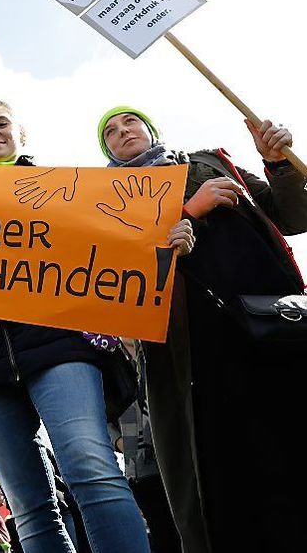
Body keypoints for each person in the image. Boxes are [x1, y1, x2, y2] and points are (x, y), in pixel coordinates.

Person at [0, 101, 192, 553]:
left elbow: (120, 245)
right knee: (26, 503)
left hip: (60, 349)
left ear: (21, 132)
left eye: (2, 123)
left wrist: (171, 235)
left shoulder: (69, 190)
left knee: (92, 471)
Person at [96, 106, 307, 552]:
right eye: (110, 133)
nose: (122, 132)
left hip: (271, 333)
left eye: (129, 122)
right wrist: (190, 210)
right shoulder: (108, 202)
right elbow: (117, 277)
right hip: (190, 360)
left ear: (149, 128)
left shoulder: (211, 161)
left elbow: (293, 217)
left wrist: (280, 163)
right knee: (225, 482)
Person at [106, 339, 179, 553]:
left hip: (176, 453)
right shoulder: (109, 355)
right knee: (163, 533)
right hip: (141, 465)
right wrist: (120, 443)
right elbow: (101, 412)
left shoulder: (157, 345)